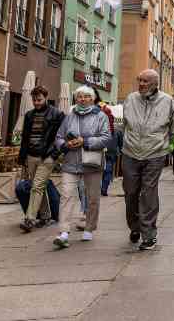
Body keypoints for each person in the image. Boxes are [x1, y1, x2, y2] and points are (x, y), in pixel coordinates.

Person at [122, 69, 174, 251]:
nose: (141, 84)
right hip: (130, 152)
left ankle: (149, 234)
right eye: (140, 80)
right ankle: (135, 226)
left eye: (145, 81)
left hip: (155, 153)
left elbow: (173, 128)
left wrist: (167, 146)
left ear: (155, 83)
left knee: (148, 192)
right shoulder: (130, 99)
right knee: (130, 192)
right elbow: (125, 125)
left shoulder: (167, 101)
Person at [53, 86, 111, 248]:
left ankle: (89, 228)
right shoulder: (69, 117)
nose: (83, 99)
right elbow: (58, 137)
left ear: (92, 99)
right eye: (79, 97)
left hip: (92, 163)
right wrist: (65, 144)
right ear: (76, 99)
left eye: (86, 96)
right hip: (71, 162)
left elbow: (107, 138)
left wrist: (85, 141)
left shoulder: (101, 116)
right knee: (66, 195)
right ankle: (63, 232)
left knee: (92, 198)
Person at [18, 86, 64, 232]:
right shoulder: (29, 115)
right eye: (34, 100)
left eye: (39, 100)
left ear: (46, 98)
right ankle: (45, 217)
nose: (36, 103)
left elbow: (61, 136)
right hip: (31, 156)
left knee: (36, 186)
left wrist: (54, 154)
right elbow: (25, 138)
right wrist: (22, 157)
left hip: (47, 156)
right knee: (39, 186)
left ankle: (29, 219)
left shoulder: (56, 114)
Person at [102, 126, 123, 196]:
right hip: (111, 155)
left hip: (101, 154)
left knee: (101, 172)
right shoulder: (117, 131)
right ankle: (104, 189)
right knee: (108, 172)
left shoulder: (101, 129)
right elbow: (121, 144)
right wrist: (119, 151)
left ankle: (102, 189)